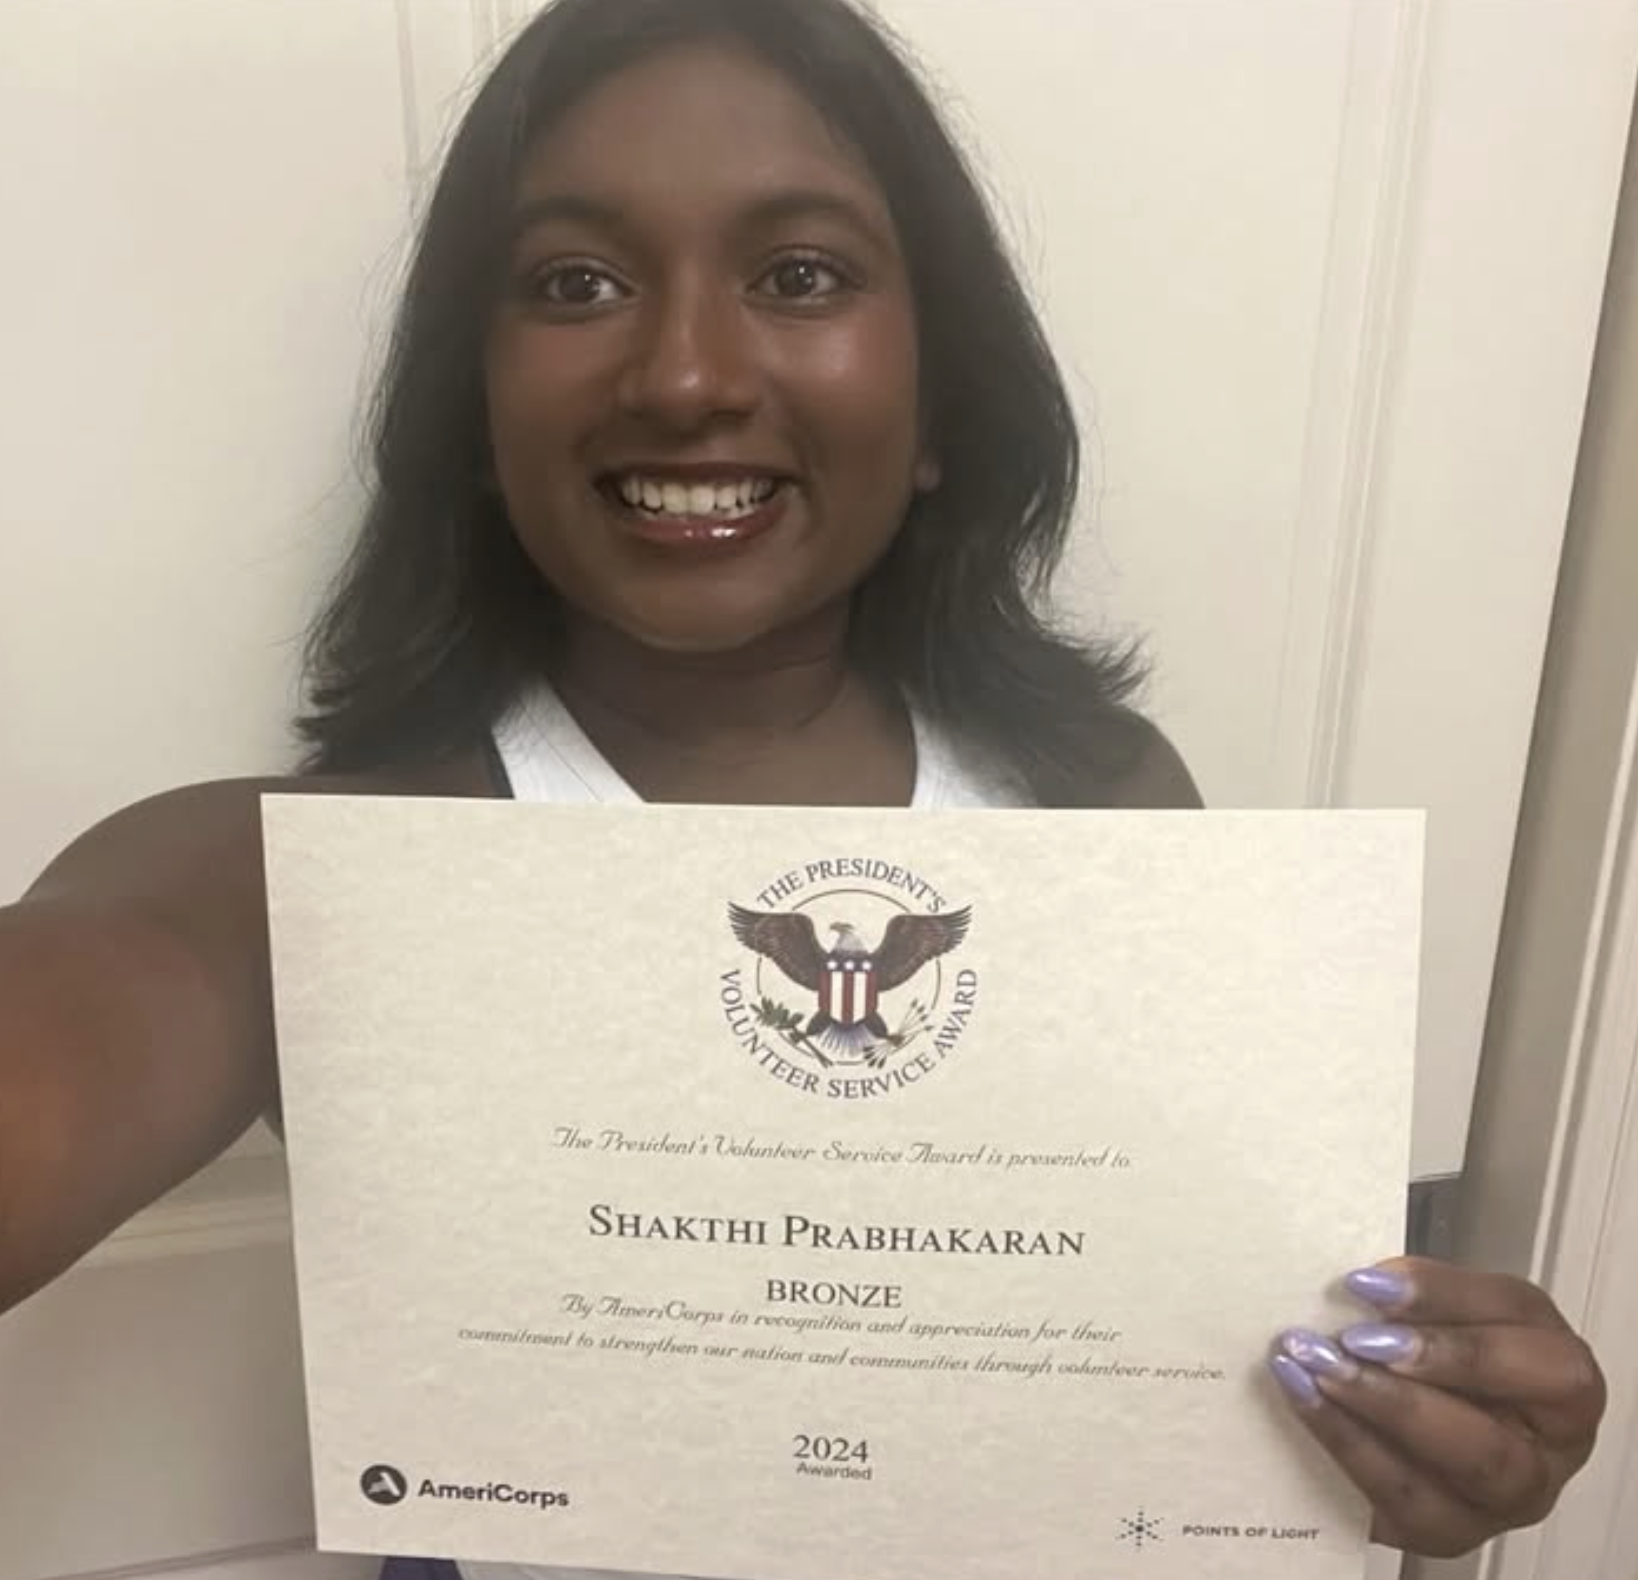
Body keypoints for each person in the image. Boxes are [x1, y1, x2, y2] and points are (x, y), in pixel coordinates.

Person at [0, 0, 1604, 1573]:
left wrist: (1404, 1423)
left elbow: (1198, 1351)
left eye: (799, 274)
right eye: (575, 282)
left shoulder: (1102, 805)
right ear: (474, 416)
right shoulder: (289, 883)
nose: (684, 375)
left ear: (936, 405)